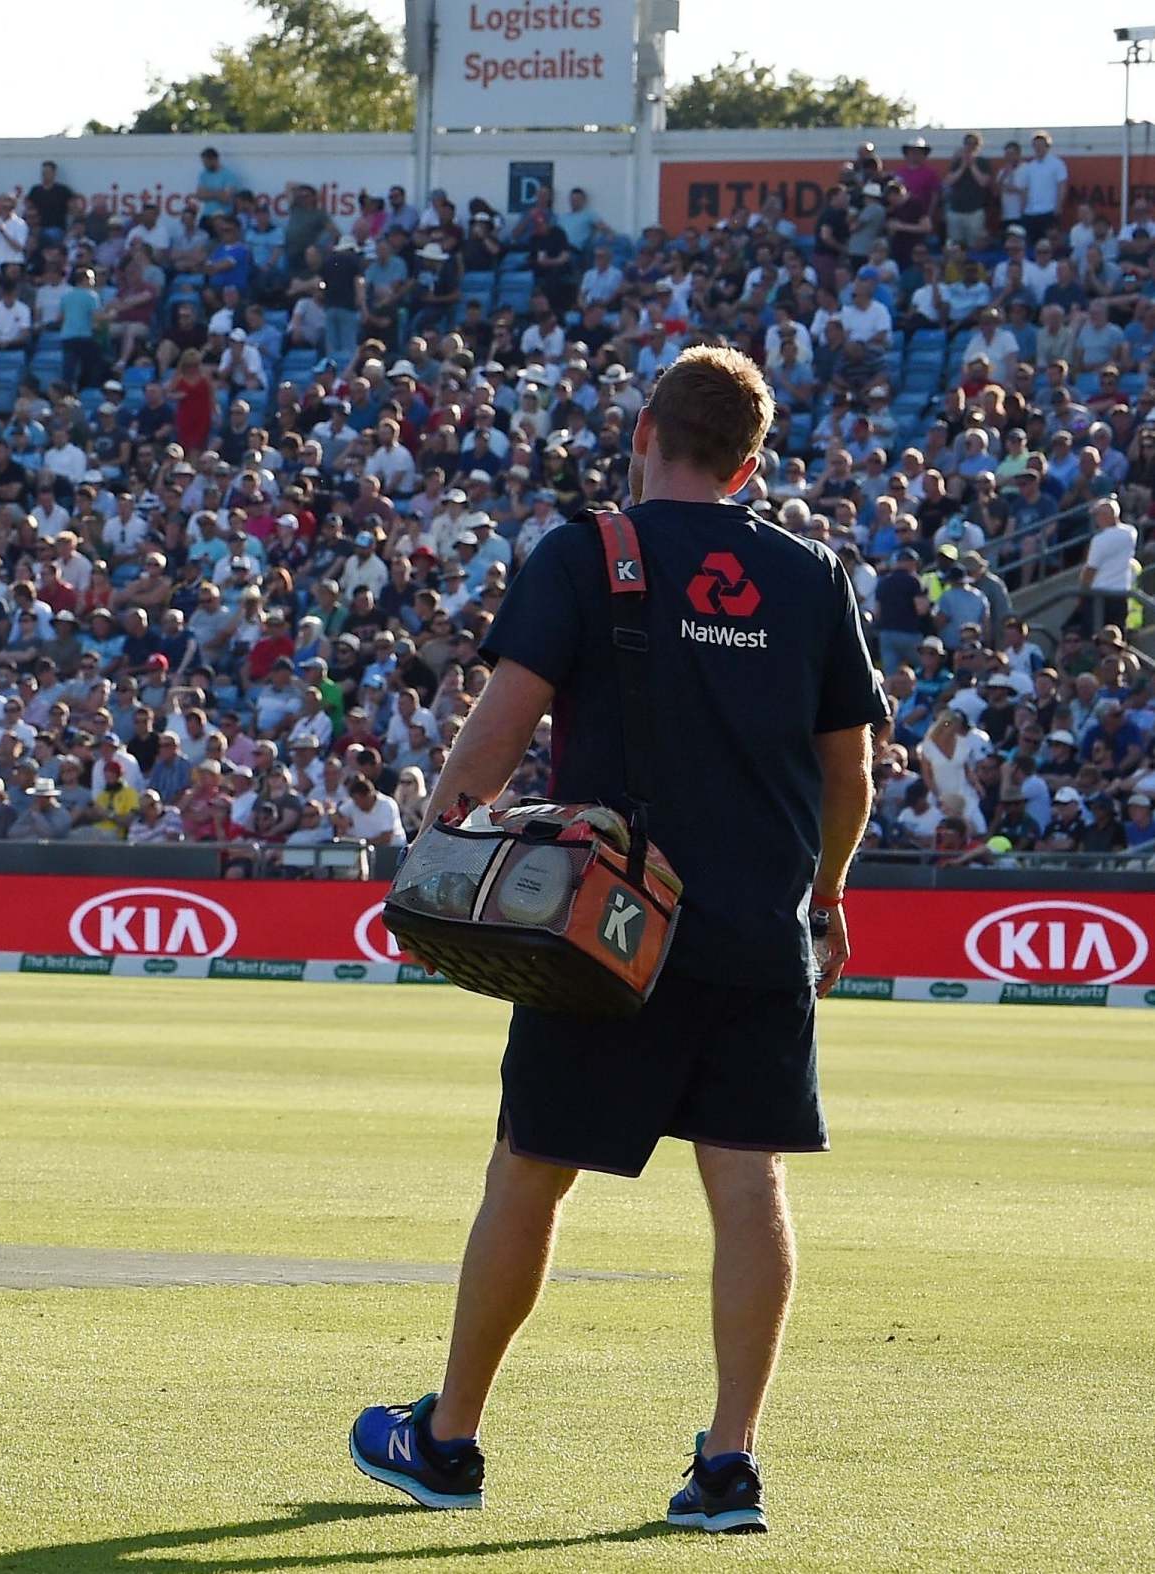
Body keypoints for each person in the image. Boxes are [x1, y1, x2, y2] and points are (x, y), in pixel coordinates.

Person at [349, 347, 885, 1535]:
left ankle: (449, 1439)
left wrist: (439, 839)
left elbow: (501, 722)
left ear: (644, 431)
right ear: (750, 464)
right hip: (757, 926)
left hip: (609, 930)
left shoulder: (588, 552)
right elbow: (851, 767)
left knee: (529, 1173)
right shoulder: (809, 574)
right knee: (746, 1180)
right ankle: (729, 1465)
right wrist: (828, 894)